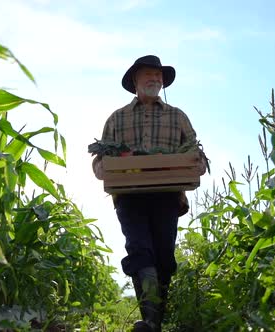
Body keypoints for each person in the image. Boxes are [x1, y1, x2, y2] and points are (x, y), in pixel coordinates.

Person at [92, 55, 206, 332]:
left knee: (164, 256)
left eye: (159, 75)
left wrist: (198, 163)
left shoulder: (177, 116)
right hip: (129, 196)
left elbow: (195, 152)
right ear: (135, 81)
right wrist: (103, 167)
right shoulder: (116, 118)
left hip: (168, 195)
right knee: (140, 248)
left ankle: (155, 320)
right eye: (148, 75)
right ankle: (151, 322)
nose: (155, 79)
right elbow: (99, 161)